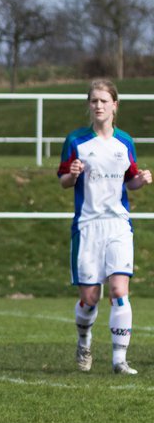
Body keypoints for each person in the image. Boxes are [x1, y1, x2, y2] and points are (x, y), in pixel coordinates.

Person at [58, 78, 153, 375]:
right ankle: (84, 340)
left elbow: (131, 180)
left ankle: (119, 360)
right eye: (94, 100)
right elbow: (63, 181)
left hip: (118, 225)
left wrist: (142, 180)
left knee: (118, 290)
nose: (98, 105)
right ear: (89, 105)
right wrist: (72, 174)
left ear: (115, 105)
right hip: (87, 225)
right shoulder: (76, 140)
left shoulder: (125, 141)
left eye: (103, 100)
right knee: (89, 298)